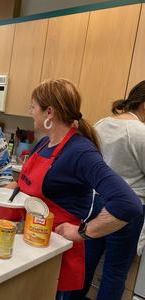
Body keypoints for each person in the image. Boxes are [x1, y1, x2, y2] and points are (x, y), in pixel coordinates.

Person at [13, 79, 142, 300]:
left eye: (33, 107)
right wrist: (6, 191)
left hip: (56, 250)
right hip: (34, 242)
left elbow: (128, 203)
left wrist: (81, 232)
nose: (31, 112)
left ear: (49, 112)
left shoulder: (80, 151)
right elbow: (30, 183)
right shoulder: (46, 143)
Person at [70, 81, 145, 300]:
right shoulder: (140, 133)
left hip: (97, 203)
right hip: (127, 209)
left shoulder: (103, 123)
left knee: (86, 264)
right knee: (114, 274)